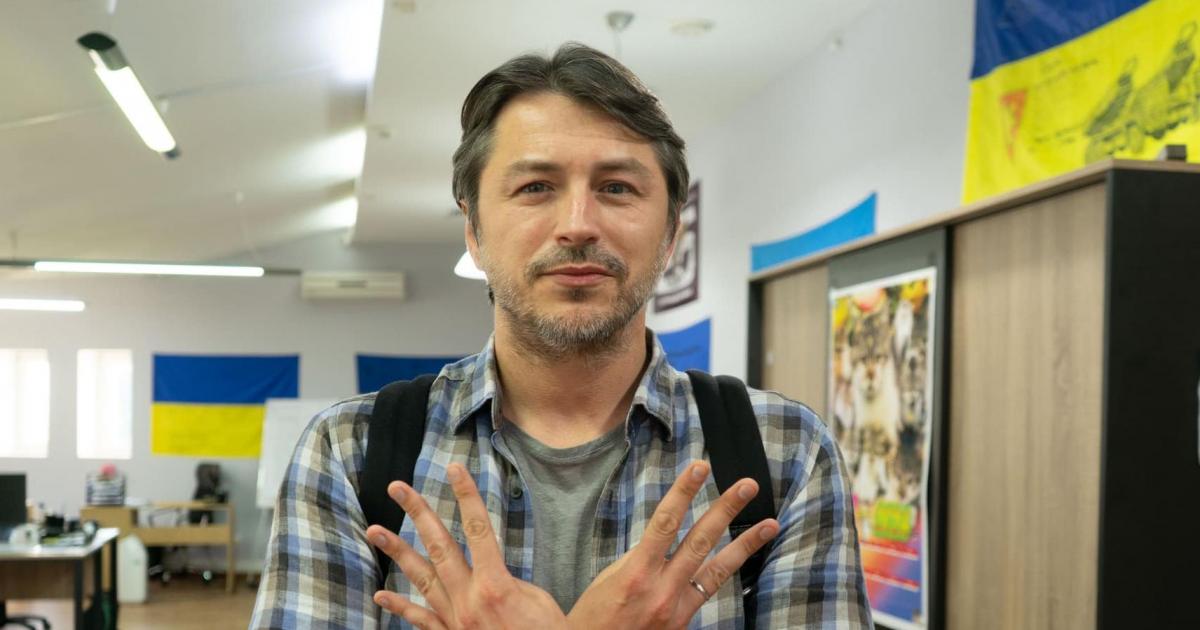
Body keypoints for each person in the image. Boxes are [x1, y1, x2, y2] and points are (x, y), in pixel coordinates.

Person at [250, 43, 871, 629]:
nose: (577, 225)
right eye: (535, 187)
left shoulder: (785, 452)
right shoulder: (350, 453)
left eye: (617, 188)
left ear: (669, 234)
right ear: (473, 232)